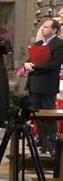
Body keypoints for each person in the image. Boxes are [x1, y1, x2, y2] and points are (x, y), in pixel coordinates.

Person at [24, 18, 63, 155]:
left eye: (46, 27)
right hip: (35, 85)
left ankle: (51, 141)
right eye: (43, 26)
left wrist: (34, 67)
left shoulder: (59, 44)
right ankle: (41, 138)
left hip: (47, 86)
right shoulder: (39, 43)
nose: (43, 28)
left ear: (55, 30)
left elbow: (53, 65)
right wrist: (26, 65)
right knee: (36, 114)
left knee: (49, 115)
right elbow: (30, 60)